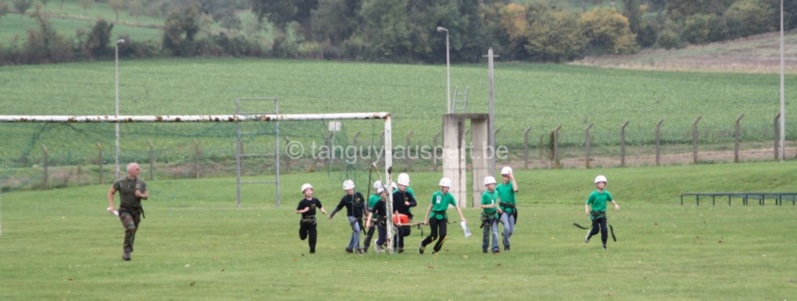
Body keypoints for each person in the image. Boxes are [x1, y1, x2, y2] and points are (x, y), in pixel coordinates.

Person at [107, 162, 150, 261]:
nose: (139, 171)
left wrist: (141, 195)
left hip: (136, 211)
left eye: (139, 169)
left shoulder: (141, 182)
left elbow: (146, 194)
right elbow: (111, 192)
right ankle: (127, 252)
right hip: (125, 210)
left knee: (133, 231)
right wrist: (111, 205)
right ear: (130, 171)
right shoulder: (120, 182)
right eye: (137, 169)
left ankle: (128, 250)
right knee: (130, 228)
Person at [419, 177, 466, 255]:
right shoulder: (435, 195)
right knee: (434, 236)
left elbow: (456, 207)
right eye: (445, 187)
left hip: (443, 217)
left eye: (448, 187)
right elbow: (430, 207)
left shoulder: (450, 197)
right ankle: (423, 244)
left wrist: (462, 217)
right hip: (434, 216)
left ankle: (436, 250)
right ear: (441, 187)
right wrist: (426, 218)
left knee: (443, 235)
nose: (447, 189)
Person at [329, 180, 367, 254]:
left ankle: (349, 248)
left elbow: (363, 205)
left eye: (351, 189)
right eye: (348, 190)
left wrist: (366, 214)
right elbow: (339, 207)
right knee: (357, 230)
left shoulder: (359, 195)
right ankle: (357, 249)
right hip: (351, 217)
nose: (350, 191)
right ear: (346, 190)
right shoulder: (345, 199)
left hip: (359, 217)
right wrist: (332, 214)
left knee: (356, 232)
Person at [584, 175, 620, 250]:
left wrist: (615, 205)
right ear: (596, 184)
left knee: (604, 230)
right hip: (594, 215)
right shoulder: (593, 194)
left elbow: (611, 200)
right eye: (599, 183)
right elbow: (587, 203)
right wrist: (587, 210)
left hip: (602, 214)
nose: (601, 184)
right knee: (596, 230)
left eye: (603, 183)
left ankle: (604, 245)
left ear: (605, 184)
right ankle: (589, 235)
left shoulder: (607, 194)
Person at [296, 183, 327, 254]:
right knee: (302, 237)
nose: (309, 192)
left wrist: (323, 210)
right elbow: (297, 211)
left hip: (312, 221)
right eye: (307, 191)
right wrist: (304, 210)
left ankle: (312, 249)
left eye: (310, 190)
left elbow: (320, 206)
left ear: (312, 191)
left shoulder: (315, 200)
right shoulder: (302, 202)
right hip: (304, 221)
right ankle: (305, 233)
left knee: (313, 235)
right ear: (304, 193)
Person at [392, 172, 416, 253]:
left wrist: (409, 203)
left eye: (405, 186)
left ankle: (393, 240)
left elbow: (414, 203)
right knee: (400, 230)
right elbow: (391, 205)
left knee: (406, 232)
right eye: (402, 185)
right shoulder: (394, 194)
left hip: (406, 215)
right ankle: (399, 247)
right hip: (397, 215)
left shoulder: (408, 194)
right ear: (398, 185)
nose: (403, 187)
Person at [496, 166, 519, 251]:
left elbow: (516, 189)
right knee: (506, 227)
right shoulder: (498, 187)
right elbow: (494, 198)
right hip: (503, 210)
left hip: (511, 211)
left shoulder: (511, 185)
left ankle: (505, 237)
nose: (506, 178)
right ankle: (506, 245)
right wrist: (497, 207)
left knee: (511, 231)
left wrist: (512, 179)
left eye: (507, 176)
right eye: (504, 176)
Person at [364, 183, 389, 253]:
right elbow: (372, 212)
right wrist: (368, 221)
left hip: (389, 221)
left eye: (384, 192)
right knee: (382, 238)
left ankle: (391, 248)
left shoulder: (390, 202)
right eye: (381, 193)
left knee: (390, 237)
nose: (383, 194)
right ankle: (377, 244)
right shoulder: (379, 203)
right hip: (381, 222)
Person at [480, 176, 500, 254]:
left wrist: (498, 208)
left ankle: (495, 248)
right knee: (486, 233)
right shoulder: (485, 195)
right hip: (487, 216)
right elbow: (481, 205)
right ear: (487, 186)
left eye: (493, 184)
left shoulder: (496, 193)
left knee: (495, 231)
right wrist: (489, 206)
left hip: (494, 216)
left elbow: (497, 202)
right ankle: (485, 247)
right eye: (490, 184)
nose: (492, 186)